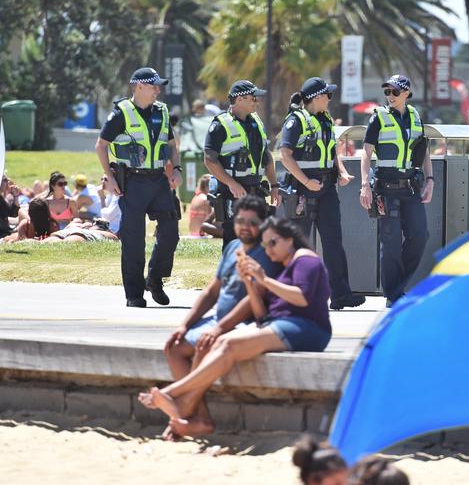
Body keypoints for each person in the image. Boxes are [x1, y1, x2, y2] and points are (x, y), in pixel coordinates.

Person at [137, 216, 333, 432]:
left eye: (273, 243)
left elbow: (302, 297)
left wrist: (265, 280)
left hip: (307, 328)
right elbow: (261, 315)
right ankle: (183, 404)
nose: (268, 250)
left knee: (228, 345)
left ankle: (171, 393)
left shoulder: (306, 259)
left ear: (290, 239)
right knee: (219, 342)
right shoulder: (282, 268)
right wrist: (250, 283)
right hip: (280, 325)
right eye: (265, 245)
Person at [162, 195, 281, 439]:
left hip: (247, 325)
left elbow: (253, 301)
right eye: (240, 220)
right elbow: (212, 291)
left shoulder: (268, 253)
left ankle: (183, 414)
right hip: (219, 321)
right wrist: (185, 325)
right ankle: (199, 417)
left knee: (205, 347)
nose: (245, 226)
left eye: (252, 222)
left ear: (264, 223)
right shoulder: (231, 247)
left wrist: (218, 329)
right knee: (174, 346)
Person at [95, 67, 182, 308]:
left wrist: (177, 169)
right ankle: (134, 295)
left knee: (171, 232)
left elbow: (173, 144)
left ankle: (154, 278)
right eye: (153, 86)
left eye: (158, 86)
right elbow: (101, 146)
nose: (158, 90)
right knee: (133, 239)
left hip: (159, 181)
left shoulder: (162, 112)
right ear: (139, 87)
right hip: (131, 182)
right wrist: (109, 178)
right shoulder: (122, 112)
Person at [279, 76, 366, 311]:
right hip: (301, 190)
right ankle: (295, 296)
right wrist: (306, 181)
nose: (330, 99)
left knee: (333, 242)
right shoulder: (295, 121)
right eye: (328, 94)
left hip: (326, 188)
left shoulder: (325, 120)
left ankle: (341, 294)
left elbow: (332, 151)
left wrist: (342, 172)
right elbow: (285, 155)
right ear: (317, 97)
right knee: (299, 245)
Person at [359, 74, 434, 307]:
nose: (390, 96)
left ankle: (399, 285)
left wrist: (430, 179)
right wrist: (364, 185)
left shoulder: (415, 116)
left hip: (410, 187)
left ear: (406, 94)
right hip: (385, 189)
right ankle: (394, 295)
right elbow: (366, 153)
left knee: (420, 236)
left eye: (394, 92)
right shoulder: (378, 118)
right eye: (387, 92)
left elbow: (423, 152)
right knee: (390, 244)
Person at [203, 79, 281, 250]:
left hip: (256, 189)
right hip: (233, 192)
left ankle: (254, 276)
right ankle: (230, 275)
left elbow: (266, 155)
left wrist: (274, 184)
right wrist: (231, 183)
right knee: (234, 241)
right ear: (239, 99)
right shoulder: (220, 125)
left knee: (260, 239)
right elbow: (209, 159)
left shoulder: (256, 122)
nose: (256, 101)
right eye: (253, 98)